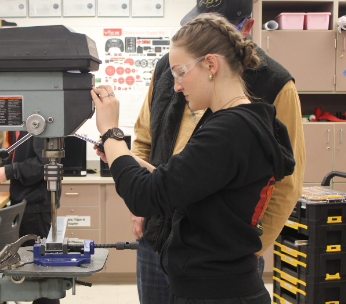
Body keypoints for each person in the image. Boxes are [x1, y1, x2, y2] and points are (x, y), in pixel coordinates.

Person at [93, 13, 296, 303]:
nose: (176, 86)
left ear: (211, 64)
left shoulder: (229, 130)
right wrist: (122, 157)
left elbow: (144, 197)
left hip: (215, 292)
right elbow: (185, 182)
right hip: (222, 285)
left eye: (180, 72)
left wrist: (111, 132)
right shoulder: (249, 121)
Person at [0, 131, 59, 304]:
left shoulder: (40, 125)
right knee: (38, 273)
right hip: (29, 204)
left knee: (41, 275)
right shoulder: (26, 127)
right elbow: (19, 159)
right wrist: (3, 168)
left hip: (36, 206)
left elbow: (44, 164)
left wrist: (8, 171)